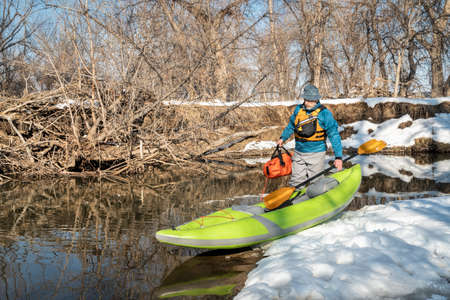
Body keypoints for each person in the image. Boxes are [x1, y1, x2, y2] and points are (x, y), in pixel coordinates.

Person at [277, 84, 343, 188]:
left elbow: (334, 135)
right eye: (306, 99)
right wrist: (283, 138)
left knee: (316, 182)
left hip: (316, 154)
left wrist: (338, 157)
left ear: (316, 99)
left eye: (311, 100)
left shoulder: (324, 113)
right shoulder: (298, 110)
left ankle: (318, 199)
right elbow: (291, 126)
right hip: (299, 153)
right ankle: (295, 201)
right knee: (296, 182)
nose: (308, 102)